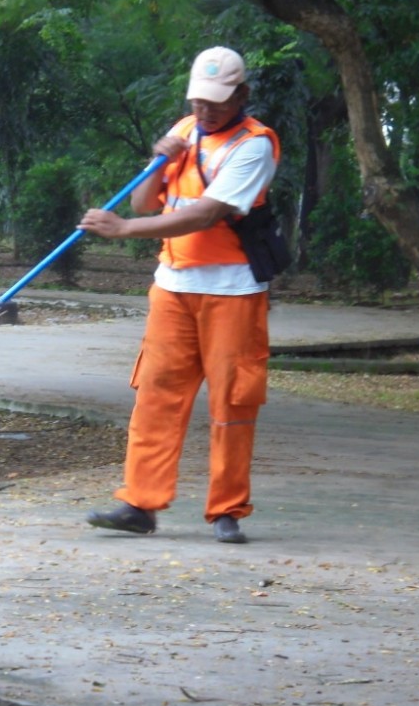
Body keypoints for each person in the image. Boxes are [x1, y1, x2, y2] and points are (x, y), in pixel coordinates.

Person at [77, 47, 279, 544]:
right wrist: (158, 162)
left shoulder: (255, 146)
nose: (205, 111)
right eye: (198, 101)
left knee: (232, 399)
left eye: (217, 101)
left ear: (242, 95)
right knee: (156, 396)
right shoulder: (183, 131)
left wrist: (123, 230)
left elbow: (205, 215)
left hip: (232, 291)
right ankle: (139, 505)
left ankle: (227, 509)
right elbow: (147, 200)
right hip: (173, 287)